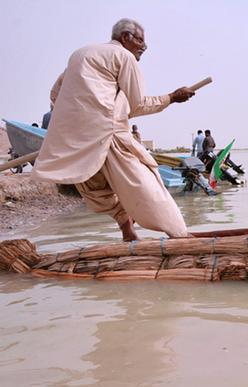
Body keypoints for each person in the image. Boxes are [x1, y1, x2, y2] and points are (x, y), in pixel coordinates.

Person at [32, 18, 195, 241]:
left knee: (97, 189)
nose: (143, 48)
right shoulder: (124, 57)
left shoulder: (80, 54)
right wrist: (172, 98)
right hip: (108, 135)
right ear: (125, 37)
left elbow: (55, 95)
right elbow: (137, 105)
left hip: (75, 140)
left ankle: (127, 232)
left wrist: (78, 119)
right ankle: (180, 236)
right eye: (141, 41)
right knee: (148, 185)